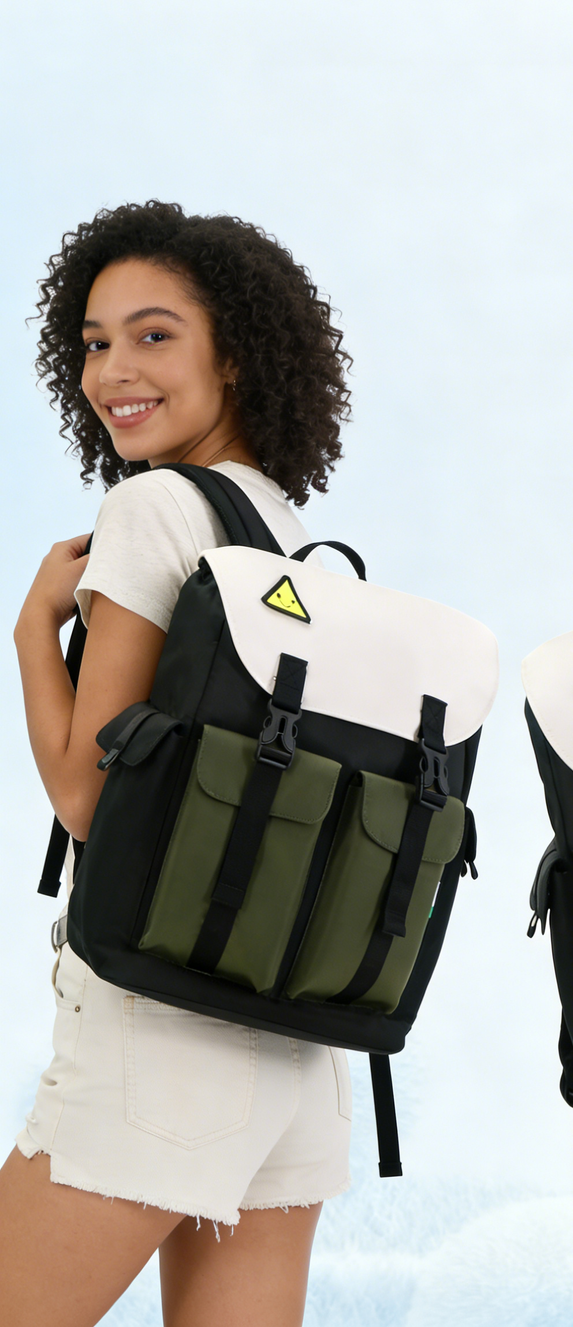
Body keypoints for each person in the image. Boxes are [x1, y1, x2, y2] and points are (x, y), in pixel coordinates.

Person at [3, 201, 354, 1327]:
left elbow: (88, 795)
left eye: (153, 335)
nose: (113, 371)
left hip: (160, 1027)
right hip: (294, 1034)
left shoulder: (153, 507)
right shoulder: (287, 535)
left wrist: (31, 632)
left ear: (234, 354)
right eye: (96, 341)